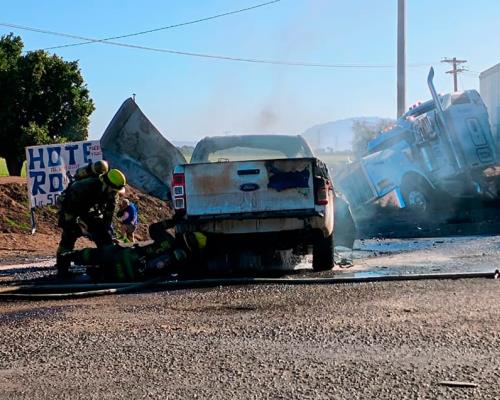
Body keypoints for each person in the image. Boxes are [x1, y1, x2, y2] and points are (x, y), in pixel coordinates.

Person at [59, 221, 207, 282]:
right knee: (98, 276)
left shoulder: (168, 239)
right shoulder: (183, 262)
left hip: (126, 256)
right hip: (131, 275)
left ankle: (67, 259)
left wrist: (175, 221)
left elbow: (154, 228)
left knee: (96, 255)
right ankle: (87, 275)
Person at [56, 168, 127, 276]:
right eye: (112, 190)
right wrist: (77, 222)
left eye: (115, 191)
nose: (114, 193)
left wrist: (109, 233)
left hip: (90, 212)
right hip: (71, 209)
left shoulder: (112, 194)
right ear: (106, 184)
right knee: (69, 235)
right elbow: (70, 206)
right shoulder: (84, 186)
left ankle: (107, 264)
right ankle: (62, 266)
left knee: (104, 237)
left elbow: (108, 217)